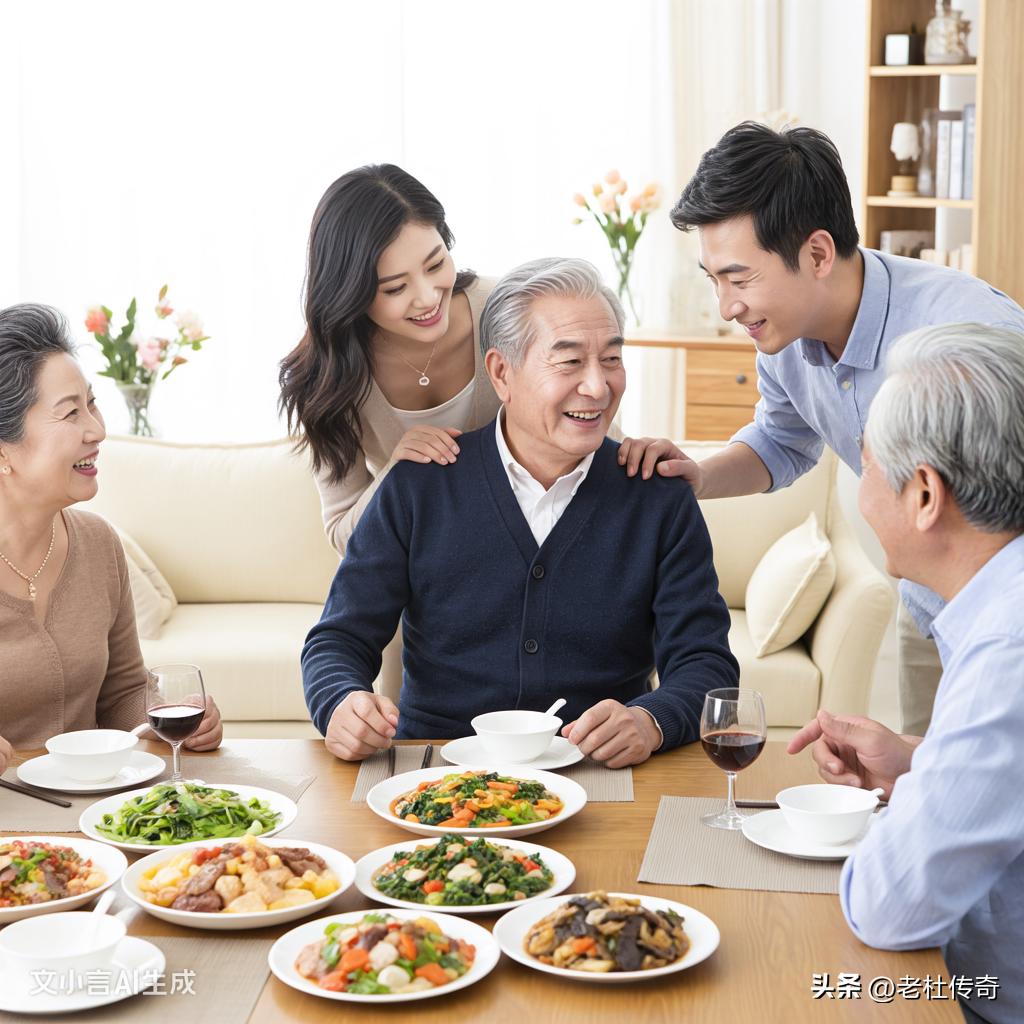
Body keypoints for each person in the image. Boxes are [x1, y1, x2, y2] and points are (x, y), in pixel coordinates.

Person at [634, 121, 1024, 737]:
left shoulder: (967, 332)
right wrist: (698, 477)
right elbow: (782, 441)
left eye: (739, 278)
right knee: (923, 792)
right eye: (715, 280)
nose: (727, 306)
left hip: (1007, 614)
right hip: (926, 601)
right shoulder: (779, 336)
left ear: (817, 254)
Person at [302, 258, 738, 766]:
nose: (598, 387)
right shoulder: (421, 485)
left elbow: (706, 666)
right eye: (569, 362)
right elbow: (337, 638)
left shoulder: (656, 495)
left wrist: (652, 719)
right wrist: (339, 705)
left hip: (597, 772)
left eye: (612, 359)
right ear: (501, 373)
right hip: (436, 772)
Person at [788, 323, 1024, 1024]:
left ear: (924, 495)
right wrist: (922, 762)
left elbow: (888, 907)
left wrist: (916, 803)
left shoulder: (1006, 650)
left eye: (867, 466)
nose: (862, 494)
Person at [0, 304, 222, 753]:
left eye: (92, 404)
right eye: (70, 414)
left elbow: (121, 694)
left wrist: (169, 716)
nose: (97, 429)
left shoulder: (99, 543)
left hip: (91, 808)